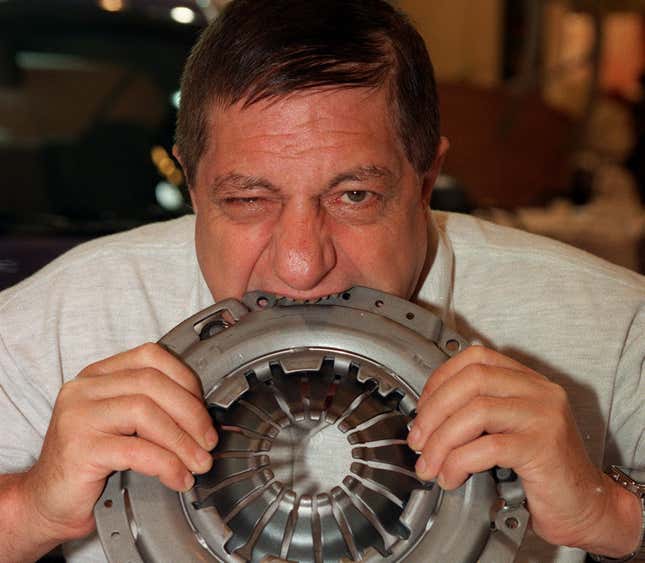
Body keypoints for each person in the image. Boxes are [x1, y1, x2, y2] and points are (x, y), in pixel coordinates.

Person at [0, 0, 642, 561]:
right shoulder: (54, 324)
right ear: (194, 189)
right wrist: (30, 507)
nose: (301, 266)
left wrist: (610, 512)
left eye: (354, 195)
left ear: (424, 182)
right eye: (249, 200)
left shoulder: (611, 330)